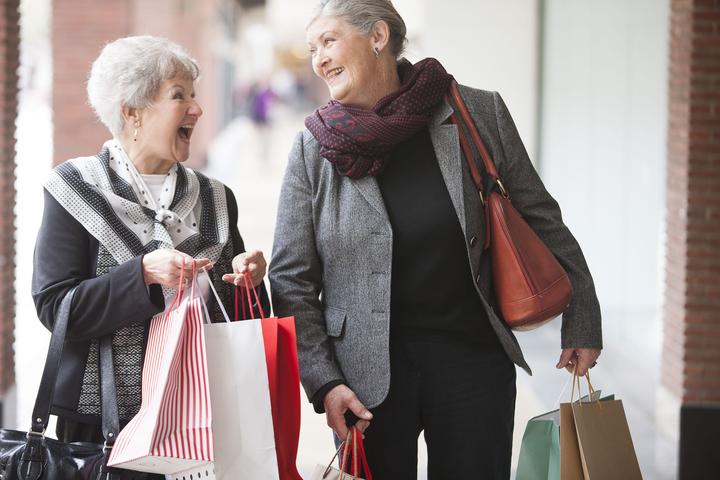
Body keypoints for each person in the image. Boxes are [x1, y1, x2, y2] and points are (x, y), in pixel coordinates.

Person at [269, 1, 602, 478]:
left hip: (473, 363)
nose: (318, 59)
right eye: (311, 49)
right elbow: (291, 278)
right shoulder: (315, 146)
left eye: (329, 41)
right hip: (365, 383)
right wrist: (324, 382)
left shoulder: (474, 112)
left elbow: (541, 217)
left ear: (378, 37)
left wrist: (583, 318)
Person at [31, 36, 269, 475]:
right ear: (131, 110)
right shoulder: (74, 188)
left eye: (194, 96)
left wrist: (248, 281)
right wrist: (141, 275)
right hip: (103, 427)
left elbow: (237, 322)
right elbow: (55, 306)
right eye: (179, 96)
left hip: (201, 419)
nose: (196, 109)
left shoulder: (217, 198)